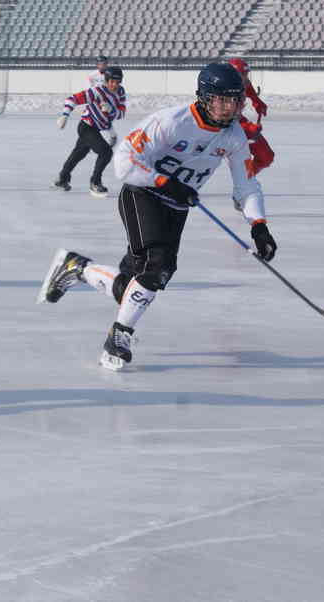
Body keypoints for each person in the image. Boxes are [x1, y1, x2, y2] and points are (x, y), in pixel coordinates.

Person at [39, 63, 277, 371]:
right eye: (222, 99)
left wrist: (259, 225)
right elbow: (124, 162)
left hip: (176, 209)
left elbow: (246, 185)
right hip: (143, 195)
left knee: (134, 286)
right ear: (204, 97)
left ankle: (77, 267)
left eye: (235, 100)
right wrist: (165, 182)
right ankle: (118, 337)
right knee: (158, 265)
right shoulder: (171, 121)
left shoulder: (233, 136)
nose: (229, 107)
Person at [53, 66, 126, 197]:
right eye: (112, 82)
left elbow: (121, 114)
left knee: (78, 154)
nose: (114, 85)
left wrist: (111, 110)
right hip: (86, 127)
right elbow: (72, 99)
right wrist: (64, 115)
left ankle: (62, 178)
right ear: (106, 80)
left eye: (117, 82)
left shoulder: (120, 92)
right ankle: (95, 183)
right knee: (106, 152)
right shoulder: (97, 91)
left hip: (98, 128)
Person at [227, 58, 274, 179]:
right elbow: (222, 119)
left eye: (246, 74)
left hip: (238, 122)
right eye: (241, 74)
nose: (244, 78)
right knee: (241, 157)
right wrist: (249, 128)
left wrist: (258, 103)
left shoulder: (243, 83)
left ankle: (246, 178)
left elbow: (250, 92)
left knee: (266, 156)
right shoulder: (223, 91)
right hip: (224, 128)